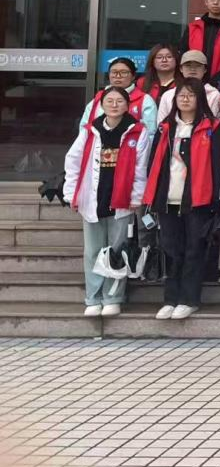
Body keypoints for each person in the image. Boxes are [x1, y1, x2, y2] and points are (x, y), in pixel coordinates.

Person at [142, 78, 220, 320]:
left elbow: (219, 166)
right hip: (167, 198)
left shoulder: (213, 127)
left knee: (194, 250)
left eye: (191, 95)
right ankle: (170, 299)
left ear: (200, 99)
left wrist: (217, 199)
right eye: (181, 95)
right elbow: (153, 164)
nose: (185, 99)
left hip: (199, 199)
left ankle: (189, 299)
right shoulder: (165, 128)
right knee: (171, 250)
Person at [63, 85, 151, 317]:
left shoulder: (137, 131)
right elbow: (73, 161)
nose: (114, 105)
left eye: (119, 101)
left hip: (121, 198)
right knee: (92, 251)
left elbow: (141, 167)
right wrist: (71, 193)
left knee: (118, 250)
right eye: (109, 101)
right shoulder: (90, 130)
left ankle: (113, 297)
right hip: (93, 196)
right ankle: (93, 298)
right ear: (101, 105)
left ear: (127, 105)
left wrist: (136, 196)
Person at [81, 56, 158, 134]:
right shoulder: (99, 98)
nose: (118, 76)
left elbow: (150, 133)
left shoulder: (144, 100)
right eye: (114, 72)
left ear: (133, 76)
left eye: (123, 72)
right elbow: (84, 128)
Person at [157, 50, 220, 122]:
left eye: (197, 66)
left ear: (205, 69)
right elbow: (161, 124)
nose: (192, 69)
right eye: (188, 65)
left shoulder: (214, 95)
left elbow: (214, 123)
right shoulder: (168, 95)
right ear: (181, 69)